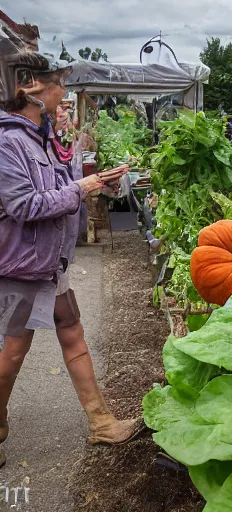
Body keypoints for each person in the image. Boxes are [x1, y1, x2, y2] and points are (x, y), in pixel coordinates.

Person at [0, 52, 142, 466]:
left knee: (72, 332)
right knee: (12, 353)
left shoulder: (37, 138)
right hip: (24, 267)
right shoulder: (8, 143)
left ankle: (100, 423)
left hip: (49, 264)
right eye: (59, 86)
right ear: (30, 88)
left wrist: (102, 184)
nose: (65, 96)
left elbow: (64, 186)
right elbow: (23, 206)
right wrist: (82, 188)